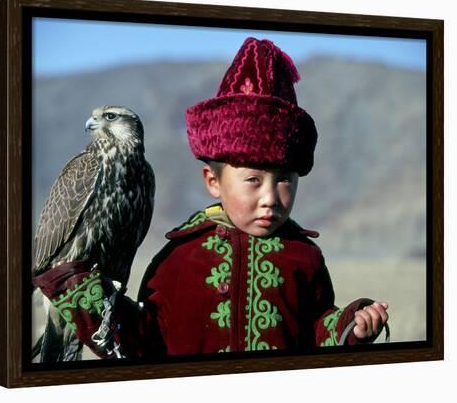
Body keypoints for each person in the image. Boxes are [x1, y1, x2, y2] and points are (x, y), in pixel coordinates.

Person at [33, 36, 388, 359]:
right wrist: (81, 294)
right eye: (252, 180)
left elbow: (314, 331)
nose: (270, 198)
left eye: (284, 182)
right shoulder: (180, 259)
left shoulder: (304, 257)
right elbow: (145, 340)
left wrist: (350, 326)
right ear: (212, 181)